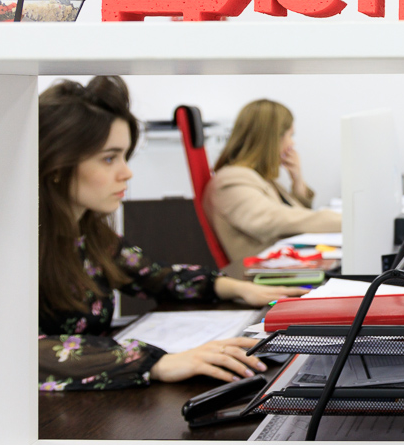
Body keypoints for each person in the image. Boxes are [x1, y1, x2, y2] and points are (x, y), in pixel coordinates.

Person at [38, 76, 305, 392]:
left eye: (124, 156)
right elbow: (21, 350)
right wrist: (156, 363)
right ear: (57, 164)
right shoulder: (20, 245)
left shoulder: (89, 235)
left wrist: (235, 288)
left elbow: (157, 276)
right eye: (109, 158)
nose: (126, 172)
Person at [206, 99, 342, 263]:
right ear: (272, 139)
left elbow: (295, 215)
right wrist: (344, 221)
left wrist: (297, 180)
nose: (292, 143)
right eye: (290, 135)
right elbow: (273, 220)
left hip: (282, 263)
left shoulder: (258, 177)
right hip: (262, 270)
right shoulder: (231, 181)